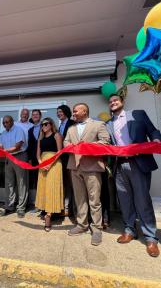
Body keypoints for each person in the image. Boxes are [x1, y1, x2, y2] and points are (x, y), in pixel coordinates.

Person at [106, 94, 161, 257]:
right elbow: (106, 144)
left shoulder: (138, 114)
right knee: (125, 200)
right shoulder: (108, 124)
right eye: (110, 102)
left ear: (122, 102)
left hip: (138, 163)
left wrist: (156, 140)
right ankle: (130, 231)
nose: (112, 103)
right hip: (119, 165)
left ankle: (151, 238)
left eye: (115, 100)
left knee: (142, 200)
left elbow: (152, 130)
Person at [64, 103, 110, 246]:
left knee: (94, 200)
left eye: (76, 111)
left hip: (92, 167)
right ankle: (82, 225)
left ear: (85, 111)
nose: (74, 113)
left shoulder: (98, 124)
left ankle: (96, 229)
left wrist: (87, 146)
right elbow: (66, 143)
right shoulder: (71, 128)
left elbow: (105, 142)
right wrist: (72, 146)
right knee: (80, 199)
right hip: (75, 167)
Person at [35, 118, 63, 231]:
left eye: (46, 124)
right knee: (44, 189)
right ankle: (46, 210)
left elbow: (59, 152)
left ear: (51, 125)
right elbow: (38, 154)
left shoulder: (57, 135)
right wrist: (41, 163)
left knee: (52, 188)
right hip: (43, 164)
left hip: (54, 164)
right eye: (42, 124)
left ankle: (48, 216)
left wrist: (49, 164)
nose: (44, 126)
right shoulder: (40, 138)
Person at [0, 115, 28, 218]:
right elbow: (1, 147)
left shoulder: (18, 130)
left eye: (7, 122)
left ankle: (21, 208)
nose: (5, 124)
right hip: (8, 159)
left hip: (19, 156)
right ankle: (9, 207)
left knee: (21, 183)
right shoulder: (3, 134)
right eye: (4, 123)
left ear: (12, 122)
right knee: (9, 183)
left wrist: (3, 151)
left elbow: (18, 146)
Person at [57, 104, 75, 217]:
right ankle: (64, 207)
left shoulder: (73, 123)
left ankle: (72, 208)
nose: (59, 114)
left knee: (72, 183)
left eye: (61, 112)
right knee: (65, 183)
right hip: (62, 158)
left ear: (66, 112)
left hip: (71, 157)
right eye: (58, 112)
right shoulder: (59, 126)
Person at [27, 109, 42, 192]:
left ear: (40, 116)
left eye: (37, 114)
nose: (35, 116)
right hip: (33, 158)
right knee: (35, 178)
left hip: (43, 156)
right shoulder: (30, 130)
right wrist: (29, 159)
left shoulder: (45, 126)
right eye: (33, 115)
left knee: (43, 177)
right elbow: (30, 145)